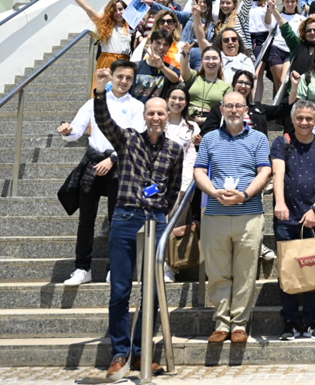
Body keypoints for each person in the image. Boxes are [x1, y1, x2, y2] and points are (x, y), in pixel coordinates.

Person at [90, 67, 183, 377]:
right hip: (126, 218)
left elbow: (171, 189)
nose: (156, 117)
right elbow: (103, 121)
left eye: (161, 113)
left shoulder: (174, 149)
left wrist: (158, 206)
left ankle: (143, 352)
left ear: (168, 114)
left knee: (153, 292)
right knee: (120, 290)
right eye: (151, 113)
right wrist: (101, 91)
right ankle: (120, 352)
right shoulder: (128, 139)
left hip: (155, 220)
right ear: (145, 116)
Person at [194, 91, 272, 344]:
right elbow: (199, 171)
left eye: (239, 106)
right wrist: (213, 192)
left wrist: (246, 194)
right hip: (215, 213)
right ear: (222, 109)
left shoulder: (259, 138)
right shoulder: (209, 139)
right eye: (230, 106)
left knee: (245, 271)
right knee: (217, 272)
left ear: (246, 110)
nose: (234, 110)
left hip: (248, 214)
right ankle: (221, 323)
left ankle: (239, 323)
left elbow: (265, 171)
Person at [58, 60, 145, 286]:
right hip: (93, 163)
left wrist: (113, 158)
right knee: (86, 219)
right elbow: (76, 131)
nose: (124, 82)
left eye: (128, 78)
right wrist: (67, 130)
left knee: (117, 221)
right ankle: (82, 268)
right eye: (120, 77)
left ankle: (113, 268)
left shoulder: (137, 106)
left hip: (120, 165)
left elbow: (136, 139)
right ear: (112, 77)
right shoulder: (94, 102)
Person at [271, 100, 315, 341]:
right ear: (293, 119)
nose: (304, 123)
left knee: (313, 269)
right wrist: (279, 203)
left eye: (309, 118)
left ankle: (310, 321)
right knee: (287, 270)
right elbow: (278, 174)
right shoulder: (282, 142)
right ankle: (289, 322)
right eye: (300, 118)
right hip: (287, 217)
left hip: (312, 218)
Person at [59, 0, 131, 92]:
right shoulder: (104, 25)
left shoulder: (132, 26)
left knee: (121, 94)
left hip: (125, 62)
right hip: (107, 61)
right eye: (114, 10)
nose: (118, 13)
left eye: (121, 9)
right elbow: (88, 8)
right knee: (103, 93)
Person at [162, 86, 201, 283]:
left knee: (175, 224)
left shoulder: (193, 127)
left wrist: (186, 184)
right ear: (167, 99)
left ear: (186, 103)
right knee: (157, 223)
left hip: (182, 183)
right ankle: (153, 263)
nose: (177, 102)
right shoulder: (158, 122)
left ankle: (169, 266)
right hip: (157, 183)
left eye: (181, 99)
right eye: (173, 98)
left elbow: (192, 158)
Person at [179, 44, 232, 126]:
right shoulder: (193, 76)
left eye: (214, 58)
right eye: (207, 58)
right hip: (187, 120)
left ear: (220, 61)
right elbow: (184, 67)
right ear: (202, 61)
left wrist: (204, 120)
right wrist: (185, 53)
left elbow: (227, 111)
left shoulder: (226, 87)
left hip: (210, 123)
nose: (211, 62)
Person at [266, 0, 305, 97]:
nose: (290, 4)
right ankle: (278, 108)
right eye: (287, 1)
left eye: (292, 1)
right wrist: (269, 8)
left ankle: (285, 105)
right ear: (283, 2)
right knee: (278, 83)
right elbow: (268, 24)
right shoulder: (277, 14)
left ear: (297, 2)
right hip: (277, 50)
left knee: (284, 81)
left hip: (291, 52)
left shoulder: (301, 18)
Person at [131, 29, 180, 102]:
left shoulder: (171, 69)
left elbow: (175, 79)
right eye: (158, 43)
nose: (161, 47)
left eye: (165, 45)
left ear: (169, 48)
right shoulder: (135, 66)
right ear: (151, 43)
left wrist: (162, 67)